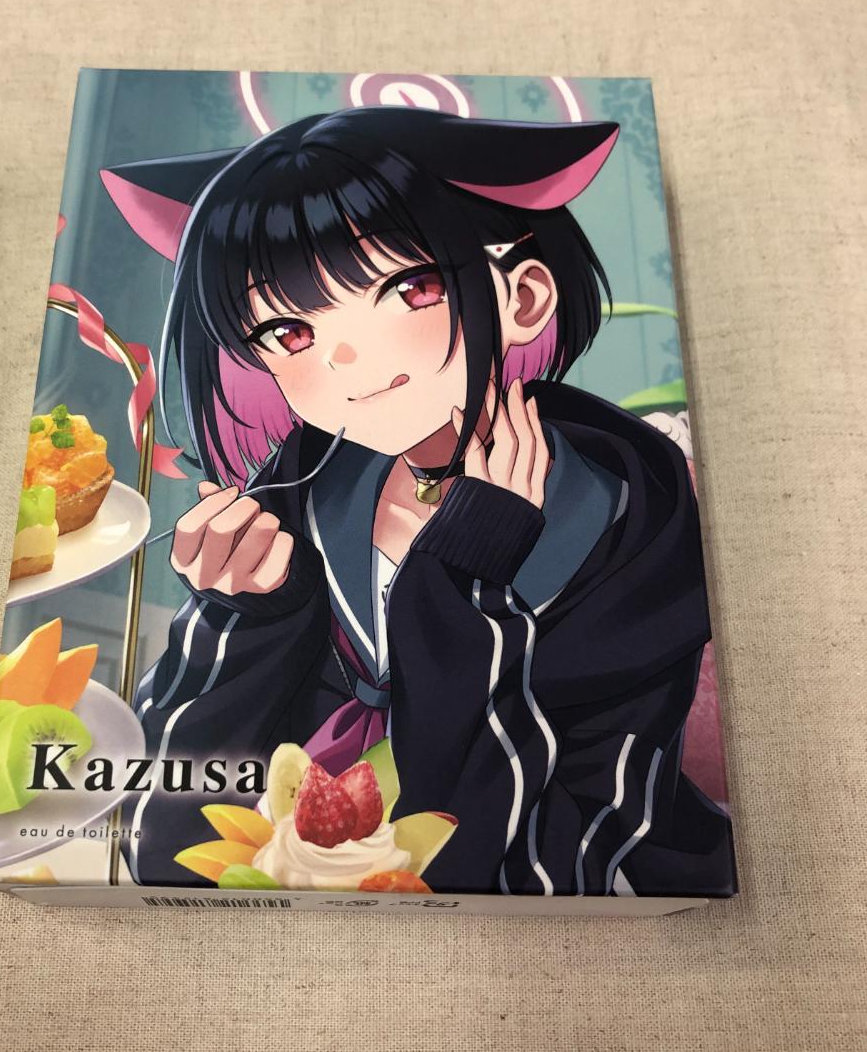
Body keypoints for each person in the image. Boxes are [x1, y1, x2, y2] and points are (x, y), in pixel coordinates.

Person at [101, 106, 735, 896]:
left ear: (523, 298)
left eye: (409, 288)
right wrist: (251, 616)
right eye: (288, 333)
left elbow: (531, 860)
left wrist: (466, 581)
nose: (343, 356)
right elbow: (162, 838)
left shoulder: (620, 523)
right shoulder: (307, 489)